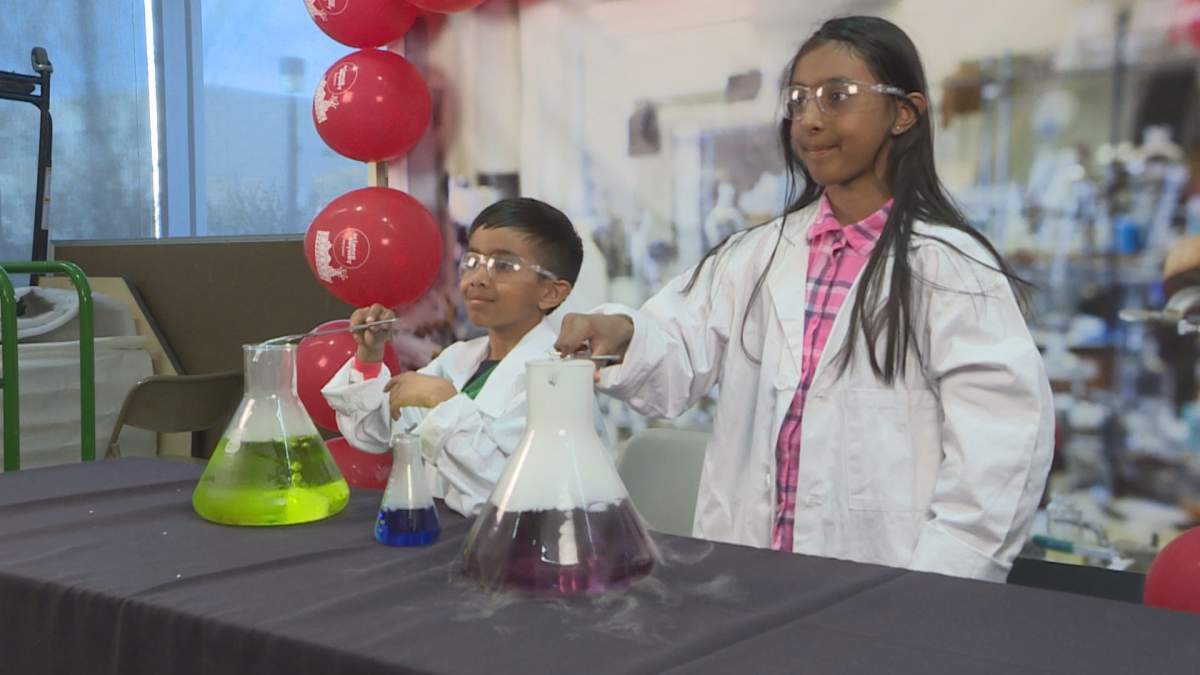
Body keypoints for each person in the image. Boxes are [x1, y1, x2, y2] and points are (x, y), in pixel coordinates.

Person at [556, 16, 1053, 582]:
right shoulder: (757, 254)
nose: (810, 119)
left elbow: (1001, 452)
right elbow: (675, 354)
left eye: (837, 96)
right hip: (752, 576)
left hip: (889, 589)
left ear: (904, 112)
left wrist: (936, 586)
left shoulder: (950, 268)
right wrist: (624, 335)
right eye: (798, 99)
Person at [323, 197, 610, 516]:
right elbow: (375, 432)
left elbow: (514, 495)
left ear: (551, 292)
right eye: (472, 261)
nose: (478, 278)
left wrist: (444, 402)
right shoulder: (458, 360)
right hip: (450, 529)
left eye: (504, 266)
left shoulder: (559, 379)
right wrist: (369, 357)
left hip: (525, 540)